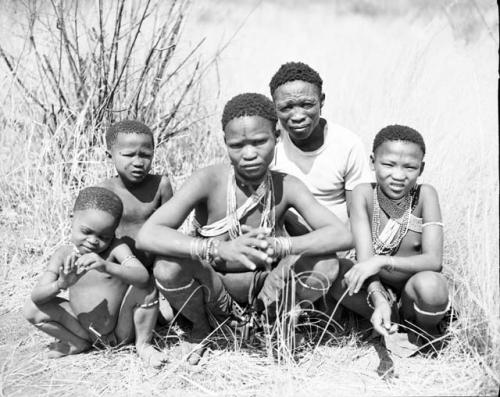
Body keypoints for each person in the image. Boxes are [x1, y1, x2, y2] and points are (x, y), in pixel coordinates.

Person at [137, 93, 352, 362]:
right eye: (238, 145)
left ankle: (275, 322)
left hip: (268, 290)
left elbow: (342, 235)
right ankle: (203, 327)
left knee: (326, 264)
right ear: (225, 143)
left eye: (260, 142)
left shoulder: (287, 186)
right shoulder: (209, 180)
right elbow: (148, 234)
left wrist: (281, 245)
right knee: (167, 266)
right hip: (214, 290)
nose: (249, 154)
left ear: (277, 136)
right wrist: (216, 248)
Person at [330, 125, 450, 346]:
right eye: (388, 164)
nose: (398, 175)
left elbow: (434, 261)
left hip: (412, 289)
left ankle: (423, 331)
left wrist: (383, 261)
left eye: (410, 167)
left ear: (421, 168)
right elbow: (365, 260)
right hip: (373, 286)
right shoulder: (363, 194)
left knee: (432, 286)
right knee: (336, 273)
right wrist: (378, 298)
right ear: (372, 162)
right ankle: (387, 320)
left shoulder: (425, 195)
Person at [23, 187, 166, 366]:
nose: (93, 241)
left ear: (113, 232)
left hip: (120, 332)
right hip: (82, 329)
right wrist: (60, 284)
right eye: (86, 231)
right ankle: (76, 343)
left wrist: (106, 266)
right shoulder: (63, 254)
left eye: (104, 236)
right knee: (31, 308)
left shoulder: (115, 248)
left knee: (147, 288)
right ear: (72, 218)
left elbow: (142, 277)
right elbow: (36, 297)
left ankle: (143, 345)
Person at [269, 61, 372, 234]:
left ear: (321, 101)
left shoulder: (347, 144)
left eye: (307, 104)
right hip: (285, 245)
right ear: (275, 108)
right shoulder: (269, 146)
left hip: (340, 244)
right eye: (286, 107)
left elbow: (359, 214)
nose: (298, 116)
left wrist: (341, 248)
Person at [99, 120, 175, 351]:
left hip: (157, 267)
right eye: (128, 154)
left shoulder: (161, 185)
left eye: (146, 154)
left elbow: (171, 231)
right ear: (109, 154)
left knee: (169, 317)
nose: (138, 162)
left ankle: (160, 297)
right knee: (122, 329)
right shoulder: (106, 191)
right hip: (124, 270)